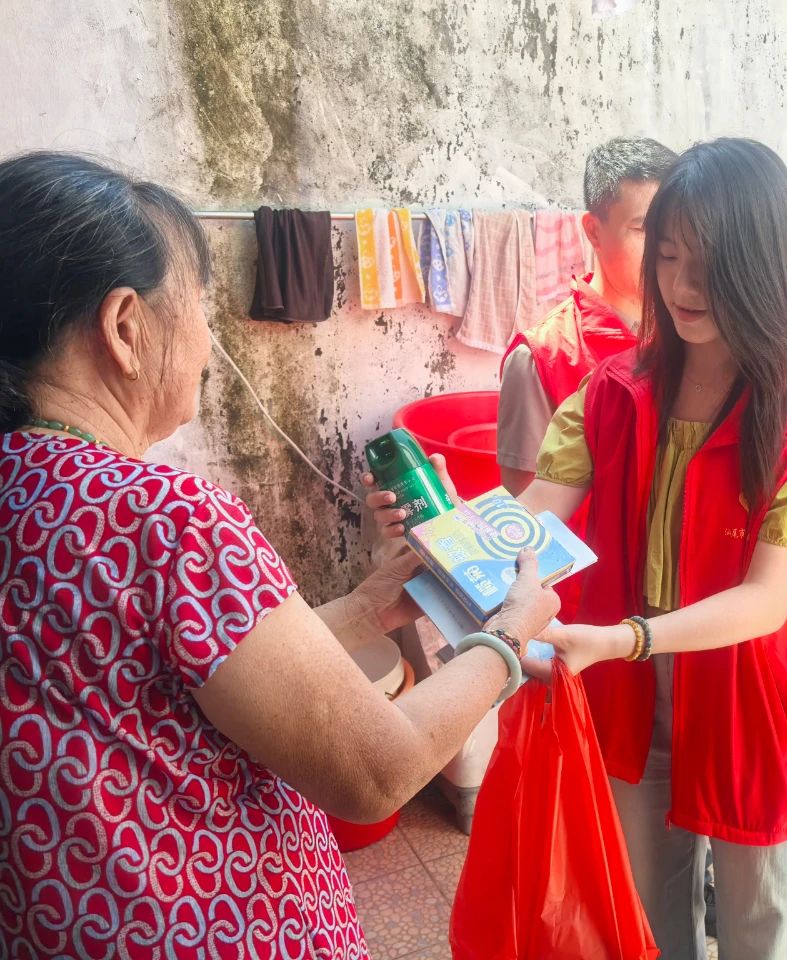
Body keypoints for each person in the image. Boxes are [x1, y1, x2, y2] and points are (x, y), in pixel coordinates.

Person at [0, 152, 561, 958]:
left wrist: (368, 606)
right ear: (125, 328)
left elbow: (177, 681)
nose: (205, 341)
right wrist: (509, 631)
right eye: (197, 304)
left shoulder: (28, 492)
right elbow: (376, 772)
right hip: (210, 928)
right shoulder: (163, 518)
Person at [376, 138, 787, 959]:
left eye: (709, 263)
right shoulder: (612, 391)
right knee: (641, 915)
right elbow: (532, 520)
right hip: (630, 691)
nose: (683, 286)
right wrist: (445, 530)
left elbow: (766, 600)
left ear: (763, 263)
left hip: (754, 701)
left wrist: (622, 639)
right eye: (668, 256)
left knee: (768, 926)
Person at [496, 136, 677, 495]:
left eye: (674, 230)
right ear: (594, 231)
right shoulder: (541, 357)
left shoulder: (693, 332)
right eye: (643, 229)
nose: (665, 249)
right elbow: (526, 511)